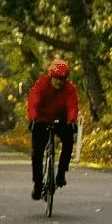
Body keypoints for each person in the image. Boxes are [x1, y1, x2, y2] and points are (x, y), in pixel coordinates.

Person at [27, 59, 79, 199]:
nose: (59, 82)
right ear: (51, 76)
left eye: (63, 79)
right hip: (41, 119)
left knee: (68, 142)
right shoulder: (42, 84)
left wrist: (71, 120)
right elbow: (33, 101)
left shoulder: (69, 89)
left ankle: (61, 174)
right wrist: (33, 117)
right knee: (37, 152)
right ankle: (38, 184)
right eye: (57, 79)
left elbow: (72, 106)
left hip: (60, 120)